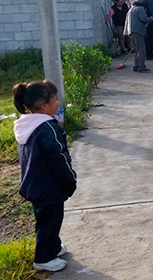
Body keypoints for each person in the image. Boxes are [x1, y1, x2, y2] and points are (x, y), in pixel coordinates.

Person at [12, 81, 77, 272]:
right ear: (43, 105)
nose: (58, 102)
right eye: (55, 99)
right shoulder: (48, 128)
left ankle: (53, 247)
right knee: (49, 221)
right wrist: (70, 178)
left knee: (49, 218)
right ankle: (43, 257)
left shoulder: (27, 125)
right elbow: (59, 156)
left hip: (35, 184)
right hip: (49, 185)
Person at [124, 1, 153, 72]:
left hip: (130, 32)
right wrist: (151, 18)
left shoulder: (130, 10)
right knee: (141, 50)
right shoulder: (140, 9)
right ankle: (141, 67)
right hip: (138, 31)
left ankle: (136, 66)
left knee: (136, 50)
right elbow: (143, 18)